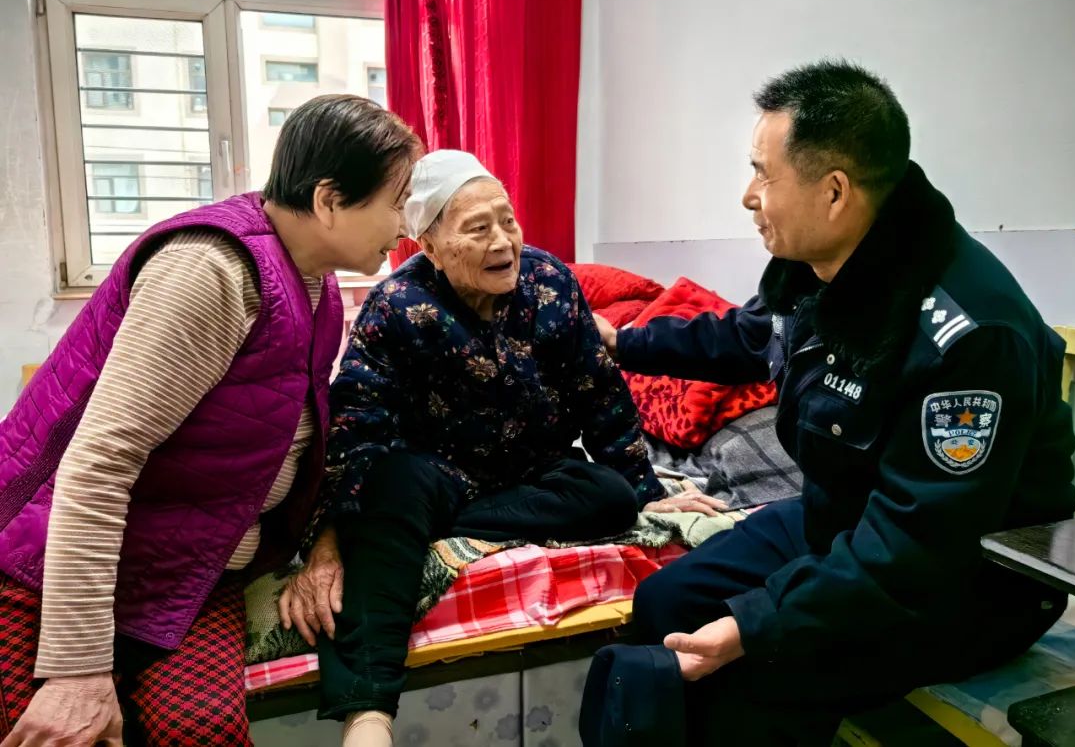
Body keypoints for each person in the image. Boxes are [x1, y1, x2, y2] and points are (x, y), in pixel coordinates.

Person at [587, 61, 1075, 745]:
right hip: (845, 519)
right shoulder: (824, 265)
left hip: (962, 584)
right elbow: (750, 334)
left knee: (745, 673)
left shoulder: (968, 335)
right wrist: (624, 343)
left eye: (763, 174)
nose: (748, 196)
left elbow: (914, 550)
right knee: (666, 601)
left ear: (835, 191)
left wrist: (755, 625)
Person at [0, 94, 421, 746]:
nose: (405, 224)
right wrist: (78, 669)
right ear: (330, 200)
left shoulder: (317, 285)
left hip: (186, 571)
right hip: (52, 567)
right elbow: (98, 464)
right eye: (398, 201)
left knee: (203, 731)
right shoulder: (212, 271)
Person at [280, 149, 725, 747]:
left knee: (613, 498)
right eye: (477, 228)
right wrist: (327, 535)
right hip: (433, 470)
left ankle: (427, 525)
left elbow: (599, 392)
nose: (503, 241)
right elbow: (355, 421)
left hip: (530, 469)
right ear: (430, 246)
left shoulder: (550, 283)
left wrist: (647, 490)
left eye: (507, 220)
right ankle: (368, 712)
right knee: (385, 491)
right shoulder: (396, 307)